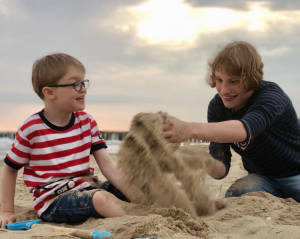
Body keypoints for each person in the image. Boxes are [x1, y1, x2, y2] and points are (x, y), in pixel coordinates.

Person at [0, 53, 140, 228]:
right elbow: (10, 169)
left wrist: (136, 193)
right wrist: (6, 211)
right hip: (54, 201)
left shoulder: (87, 121)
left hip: (89, 188)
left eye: (83, 82)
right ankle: (137, 222)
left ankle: (149, 212)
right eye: (76, 84)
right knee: (101, 199)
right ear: (49, 92)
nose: (83, 89)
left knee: (138, 185)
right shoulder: (32, 128)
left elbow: (109, 166)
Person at [163, 41, 300, 202]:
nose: (224, 90)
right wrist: (201, 160)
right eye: (219, 80)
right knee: (235, 194)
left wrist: (188, 130)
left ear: (252, 78)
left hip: (296, 174)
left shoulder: (271, 96)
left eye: (234, 81)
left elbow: (244, 130)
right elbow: (221, 171)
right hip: (262, 179)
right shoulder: (217, 107)